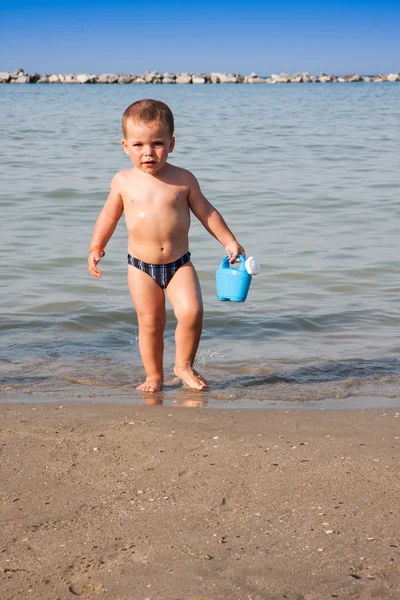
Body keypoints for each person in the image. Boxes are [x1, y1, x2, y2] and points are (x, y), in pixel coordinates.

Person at [88, 99, 245, 393]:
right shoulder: (122, 181)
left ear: (171, 144)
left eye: (157, 143)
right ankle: (154, 376)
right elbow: (108, 215)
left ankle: (183, 365)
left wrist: (229, 241)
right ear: (124, 146)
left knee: (192, 312)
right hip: (140, 267)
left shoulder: (183, 180)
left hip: (179, 264)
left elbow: (207, 213)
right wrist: (96, 246)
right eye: (138, 145)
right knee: (150, 323)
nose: (148, 152)